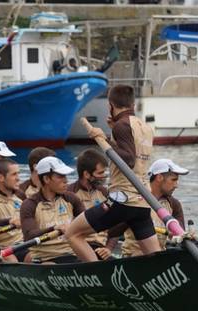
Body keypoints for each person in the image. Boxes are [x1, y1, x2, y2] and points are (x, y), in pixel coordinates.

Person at [65, 84, 158, 262]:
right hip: (143, 202)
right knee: (155, 257)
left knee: (72, 233)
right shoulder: (145, 127)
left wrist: (103, 138)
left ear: (110, 106)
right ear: (133, 105)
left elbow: (128, 159)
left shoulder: (121, 126)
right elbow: (134, 152)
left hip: (122, 201)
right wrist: (113, 131)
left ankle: (97, 278)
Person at [114, 159, 189, 256]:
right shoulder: (136, 200)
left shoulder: (174, 204)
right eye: (173, 180)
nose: (176, 185)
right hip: (132, 259)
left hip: (158, 257)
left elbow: (180, 233)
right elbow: (114, 232)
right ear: (159, 177)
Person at [20, 156, 85, 264]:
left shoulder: (71, 198)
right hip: (45, 258)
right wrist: (54, 228)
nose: (66, 180)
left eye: (65, 176)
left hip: (71, 253)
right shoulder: (29, 204)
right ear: (46, 179)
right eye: (60, 176)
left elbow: (87, 220)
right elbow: (29, 236)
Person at [68, 149, 113, 260]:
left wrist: (108, 248)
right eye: (100, 173)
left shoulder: (104, 192)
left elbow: (115, 223)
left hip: (101, 247)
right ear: (87, 174)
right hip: (79, 247)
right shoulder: (70, 194)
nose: (104, 176)